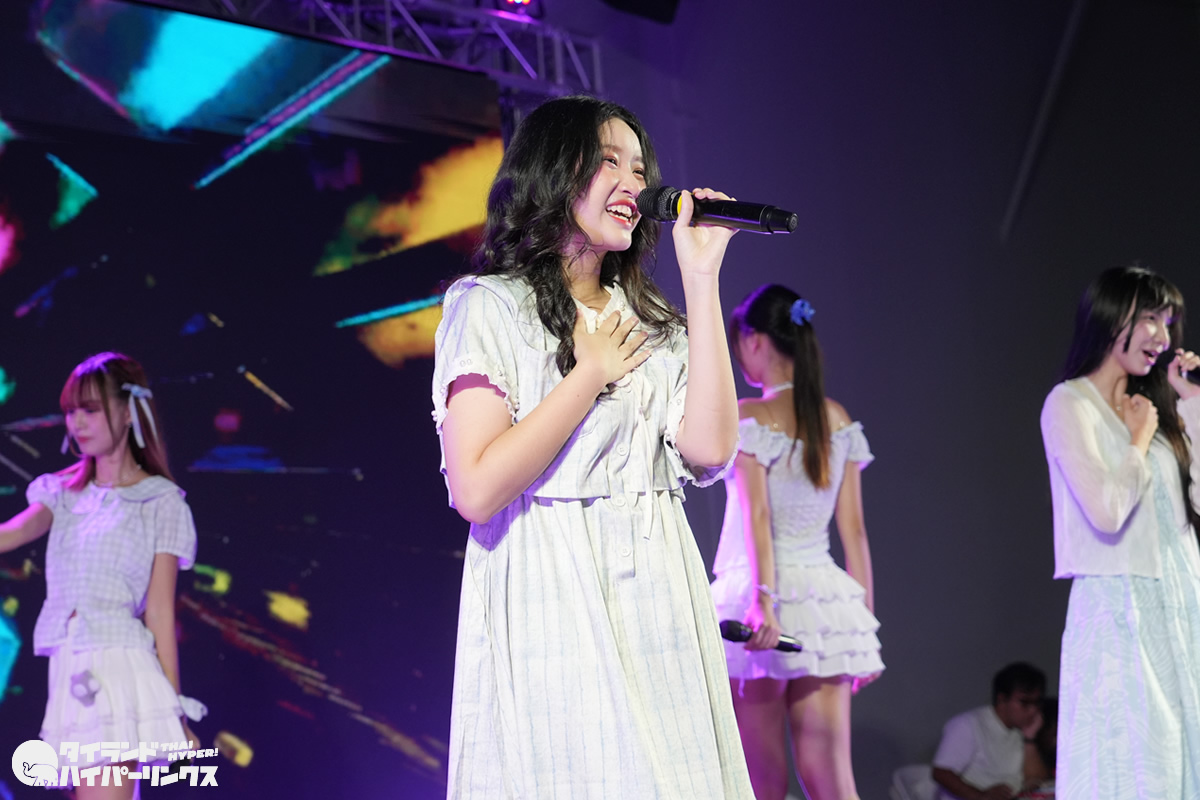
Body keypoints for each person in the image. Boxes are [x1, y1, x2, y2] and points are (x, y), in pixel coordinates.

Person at [431, 94, 754, 798]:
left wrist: (701, 279)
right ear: (555, 170)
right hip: (553, 592)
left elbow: (709, 450)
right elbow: (476, 490)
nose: (633, 183)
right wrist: (589, 375)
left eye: (640, 168)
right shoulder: (489, 305)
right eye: (610, 161)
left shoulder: (653, 322)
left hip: (661, 597)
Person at [0, 352, 203, 798]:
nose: (76, 423)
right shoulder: (61, 492)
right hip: (69, 664)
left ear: (128, 412)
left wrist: (173, 710)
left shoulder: (161, 502)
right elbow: (9, 534)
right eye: (71, 411)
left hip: (118, 662)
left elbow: (160, 614)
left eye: (90, 410)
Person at [709, 284, 882, 800]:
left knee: (761, 779)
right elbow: (854, 531)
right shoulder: (836, 417)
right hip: (826, 606)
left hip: (759, 599)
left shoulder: (750, 416)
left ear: (756, 340)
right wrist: (861, 626)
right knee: (831, 778)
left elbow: (758, 515)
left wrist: (764, 601)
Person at [1040, 265, 1200, 800]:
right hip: (1120, 605)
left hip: (1182, 598)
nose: (1162, 337)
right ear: (1112, 317)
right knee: (1135, 763)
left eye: (1168, 322)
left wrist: (1190, 402)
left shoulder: (1155, 407)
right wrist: (1137, 440)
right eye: (1150, 318)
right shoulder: (1069, 403)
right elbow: (1107, 512)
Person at [931, 662, 1046, 800]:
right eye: (1025, 703)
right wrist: (981, 796)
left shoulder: (1022, 729)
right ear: (1002, 699)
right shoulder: (968, 724)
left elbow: (1036, 779)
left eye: (1037, 703)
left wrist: (1030, 739)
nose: (1033, 710)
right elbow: (941, 773)